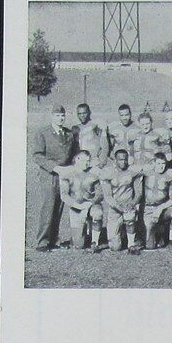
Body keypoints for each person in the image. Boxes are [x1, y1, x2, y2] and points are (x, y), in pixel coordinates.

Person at [31, 104, 76, 250]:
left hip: (64, 175)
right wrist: (54, 168)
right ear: (51, 116)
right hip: (49, 175)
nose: (60, 118)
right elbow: (37, 156)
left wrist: (71, 168)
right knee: (48, 207)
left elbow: (72, 154)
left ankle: (53, 240)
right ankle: (42, 242)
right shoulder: (42, 133)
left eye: (62, 115)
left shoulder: (69, 134)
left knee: (59, 207)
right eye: (57, 115)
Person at [58, 149, 104, 250]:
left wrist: (91, 202)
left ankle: (94, 242)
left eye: (88, 161)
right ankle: (82, 233)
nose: (87, 163)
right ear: (77, 159)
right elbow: (64, 195)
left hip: (91, 204)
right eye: (84, 161)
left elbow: (100, 194)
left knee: (98, 213)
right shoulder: (67, 172)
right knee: (78, 244)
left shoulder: (93, 172)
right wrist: (78, 206)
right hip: (76, 206)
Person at [99, 147, 142, 253]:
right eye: (120, 159)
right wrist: (118, 207)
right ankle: (121, 234)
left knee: (130, 216)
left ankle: (131, 243)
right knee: (115, 248)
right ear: (115, 160)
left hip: (128, 205)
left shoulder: (133, 171)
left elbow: (139, 192)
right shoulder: (108, 172)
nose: (123, 162)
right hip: (115, 208)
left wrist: (132, 203)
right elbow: (108, 196)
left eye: (125, 159)